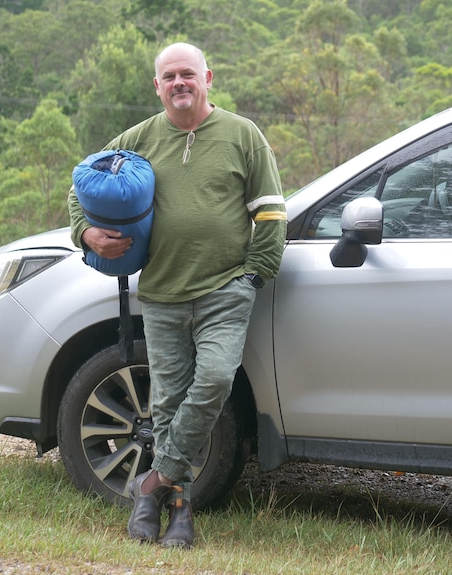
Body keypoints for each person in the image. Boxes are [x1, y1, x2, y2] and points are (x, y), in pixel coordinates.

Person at [67, 42, 287, 548]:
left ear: (208, 77)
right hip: (162, 293)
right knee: (165, 404)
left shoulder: (242, 136)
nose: (179, 83)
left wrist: (254, 275)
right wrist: (85, 234)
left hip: (224, 291)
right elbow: (80, 185)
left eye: (188, 74)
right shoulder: (139, 138)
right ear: (157, 85)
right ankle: (179, 509)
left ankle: (152, 484)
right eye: (169, 76)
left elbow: (272, 213)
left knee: (212, 381)